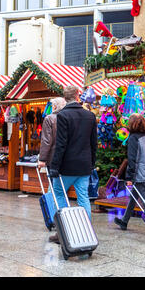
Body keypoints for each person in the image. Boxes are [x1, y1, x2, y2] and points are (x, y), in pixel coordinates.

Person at [48, 86, 97, 243]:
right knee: (83, 197)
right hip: (84, 164)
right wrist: (92, 162)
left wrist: (54, 167)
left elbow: (61, 144)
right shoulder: (90, 116)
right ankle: (86, 230)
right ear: (78, 96)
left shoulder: (62, 115)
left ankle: (64, 230)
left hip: (67, 166)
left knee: (59, 194)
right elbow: (93, 143)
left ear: (64, 98)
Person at [114, 113, 145, 233]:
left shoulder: (133, 138)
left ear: (132, 124)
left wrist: (130, 177)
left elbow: (132, 159)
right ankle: (124, 221)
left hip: (140, 173)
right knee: (134, 196)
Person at [38, 97, 66, 169]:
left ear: (55, 106)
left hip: (53, 157)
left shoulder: (49, 118)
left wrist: (42, 159)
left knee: (54, 179)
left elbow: (46, 140)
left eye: (52, 105)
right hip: (68, 157)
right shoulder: (68, 117)